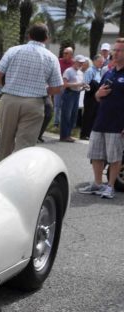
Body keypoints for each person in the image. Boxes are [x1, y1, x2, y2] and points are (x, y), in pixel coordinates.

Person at [0, 23, 62, 162]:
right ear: (46, 38)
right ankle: (19, 178)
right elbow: (57, 88)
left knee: (5, 143)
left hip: (10, 100)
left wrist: (7, 85)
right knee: (25, 147)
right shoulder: (51, 58)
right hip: (34, 103)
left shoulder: (13, 51)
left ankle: (0, 176)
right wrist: (44, 90)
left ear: (29, 35)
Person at [78, 38, 124, 199]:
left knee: (115, 156)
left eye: (119, 50)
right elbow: (98, 97)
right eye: (115, 49)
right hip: (100, 121)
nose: (115, 52)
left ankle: (110, 186)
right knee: (96, 154)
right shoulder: (108, 72)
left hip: (117, 124)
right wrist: (98, 94)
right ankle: (98, 184)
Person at [59, 55, 88, 142]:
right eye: (79, 62)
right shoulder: (68, 71)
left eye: (82, 63)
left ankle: (68, 134)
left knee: (73, 115)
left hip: (77, 93)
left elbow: (80, 84)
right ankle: (64, 135)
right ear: (75, 61)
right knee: (66, 115)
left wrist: (84, 86)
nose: (81, 64)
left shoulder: (80, 72)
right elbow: (64, 84)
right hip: (69, 93)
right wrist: (77, 84)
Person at [80, 54, 105, 140]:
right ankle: (84, 134)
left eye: (102, 62)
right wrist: (91, 89)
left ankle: (90, 133)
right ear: (94, 61)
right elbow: (85, 84)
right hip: (90, 96)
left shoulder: (99, 71)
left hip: (96, 96)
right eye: (99, 62)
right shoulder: (90, 71)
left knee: (94, 115)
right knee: (88, 115)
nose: (101, 63)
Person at [54, 46, 74, 127]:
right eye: (63, 53)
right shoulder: (58, 62)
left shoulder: (73, 63)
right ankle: (56, 123)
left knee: (66, 106)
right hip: (58, 86)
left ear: (71, 55)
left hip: (68, 88)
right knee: (57, 105)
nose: (64, 55)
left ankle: (64, 123)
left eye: (66, 53)